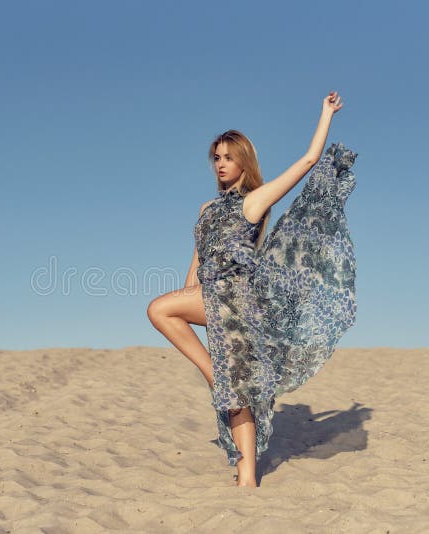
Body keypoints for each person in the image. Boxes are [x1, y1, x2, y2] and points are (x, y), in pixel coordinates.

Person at [147, 91, 358, 487]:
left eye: (228, 156)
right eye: (216, 157)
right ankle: (247, 480)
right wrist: (190, 296)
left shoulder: (254, 202)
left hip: (237, 299)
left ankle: (212, 374)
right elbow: (198, 259)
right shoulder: (206, 210)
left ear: (243, 160)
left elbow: (309, 161)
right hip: (211, 297)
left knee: (159, 309)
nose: (221, 164)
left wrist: (325, 114)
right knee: (237, 394)